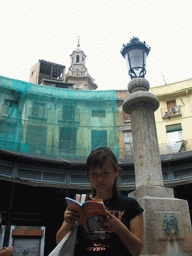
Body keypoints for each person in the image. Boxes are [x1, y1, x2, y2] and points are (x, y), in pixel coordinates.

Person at [56, 147, 144, 256]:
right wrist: (68, 224)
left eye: (105, 173)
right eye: (94, 174)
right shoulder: (79, 203)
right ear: (88, 174)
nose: (100, 179)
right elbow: (59, 243)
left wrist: (119, 228)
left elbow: (137, 251)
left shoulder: (131, 205)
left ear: (116, 172)